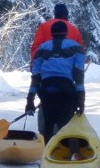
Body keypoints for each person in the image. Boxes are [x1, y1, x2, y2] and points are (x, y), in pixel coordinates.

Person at [25, 21, 86, 158]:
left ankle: (48, 154)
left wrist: (30, 101)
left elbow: (35, 77)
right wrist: (80, 100)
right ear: (66, 32)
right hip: (66, 92)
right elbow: (78, 75)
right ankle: (74, 153)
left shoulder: (42, 49)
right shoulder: (76, 48)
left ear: (52, 33)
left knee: (48, 125)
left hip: (47, 92)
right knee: (67, 125)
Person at [29, 3, 84, 136]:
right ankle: (64, 138)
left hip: (46, 77)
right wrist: (80, 97)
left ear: (55, 14)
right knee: (66, 112)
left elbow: (36, 47)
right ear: (66, 15)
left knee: (46, 108)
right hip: (67, 81)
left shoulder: (44, 27)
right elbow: (79, 60)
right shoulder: (74, 30)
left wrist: (36, 67)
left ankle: (46, 137)